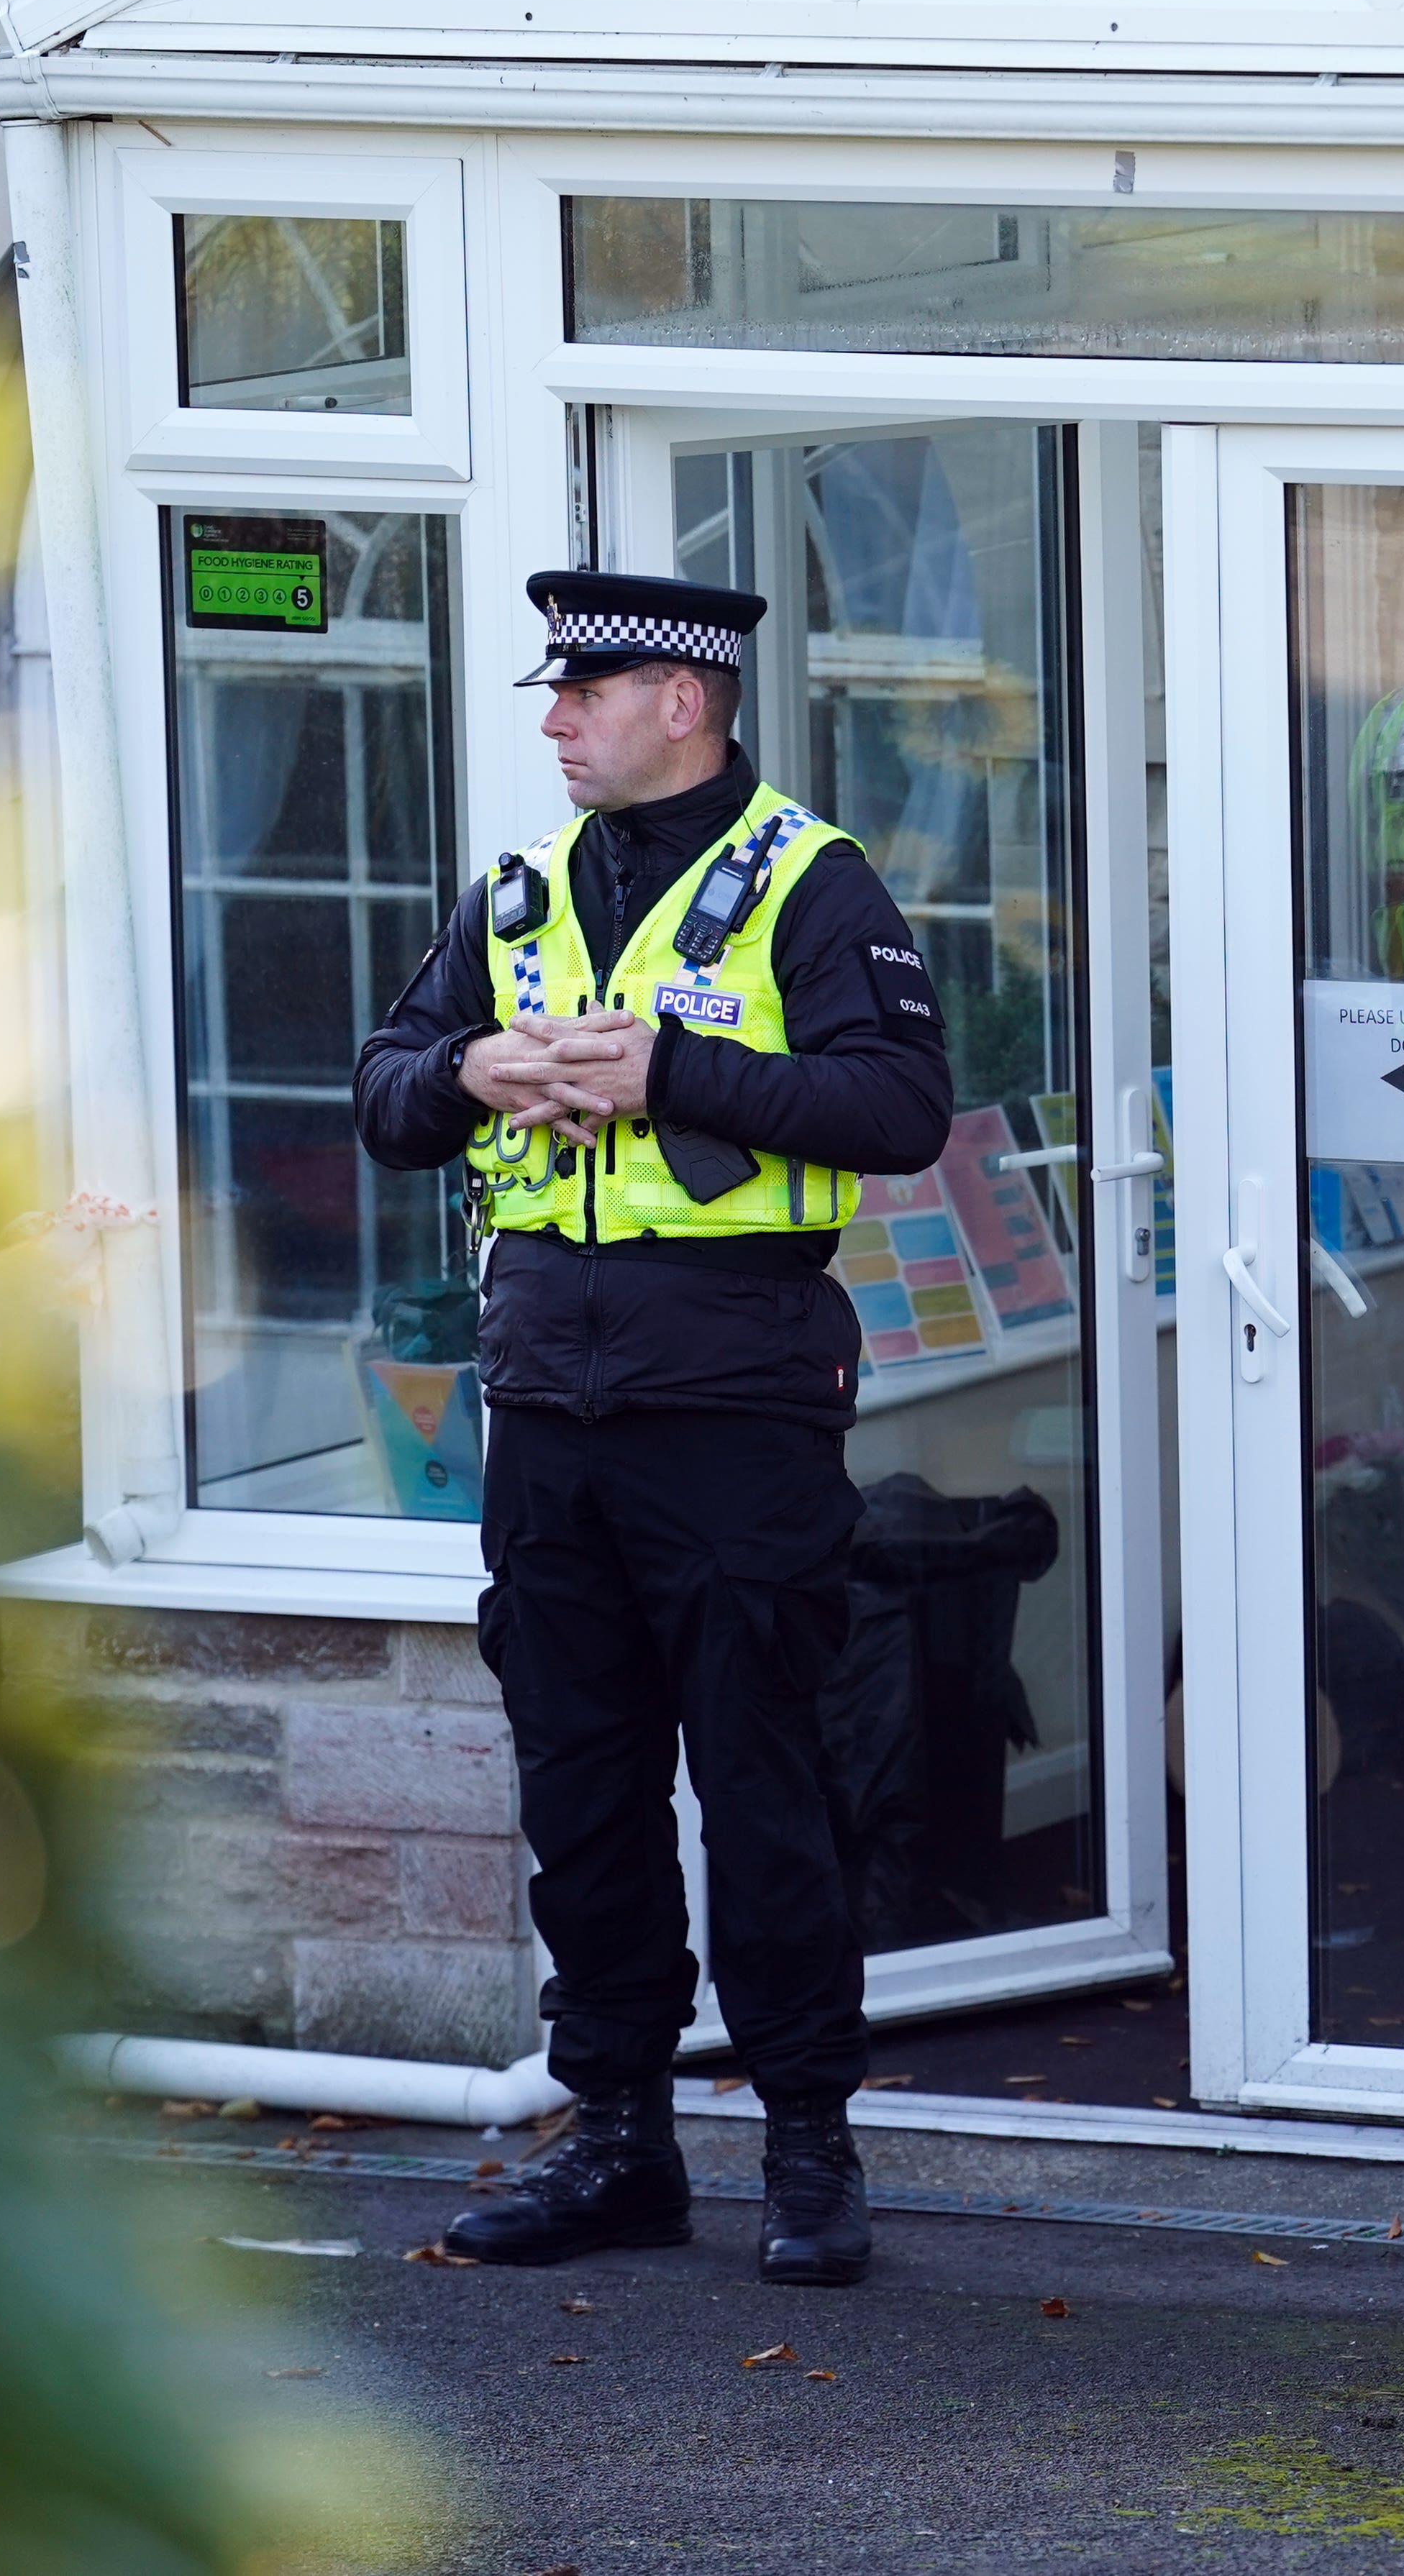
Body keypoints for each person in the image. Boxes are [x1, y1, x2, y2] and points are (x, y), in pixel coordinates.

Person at [351, 569, 955, 2287]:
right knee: (585, 1789)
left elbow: (900, 1104)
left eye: (582, 693)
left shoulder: (808, 881)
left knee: (765, 1778)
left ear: (683, 700)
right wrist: (469, 1068)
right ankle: (617, 2136)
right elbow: (383, 1089)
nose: (552, 720)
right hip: (546, 1402)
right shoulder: (520, 886)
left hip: (733, 1402)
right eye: (554, 696)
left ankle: (808, 2149)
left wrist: (668, 1076)